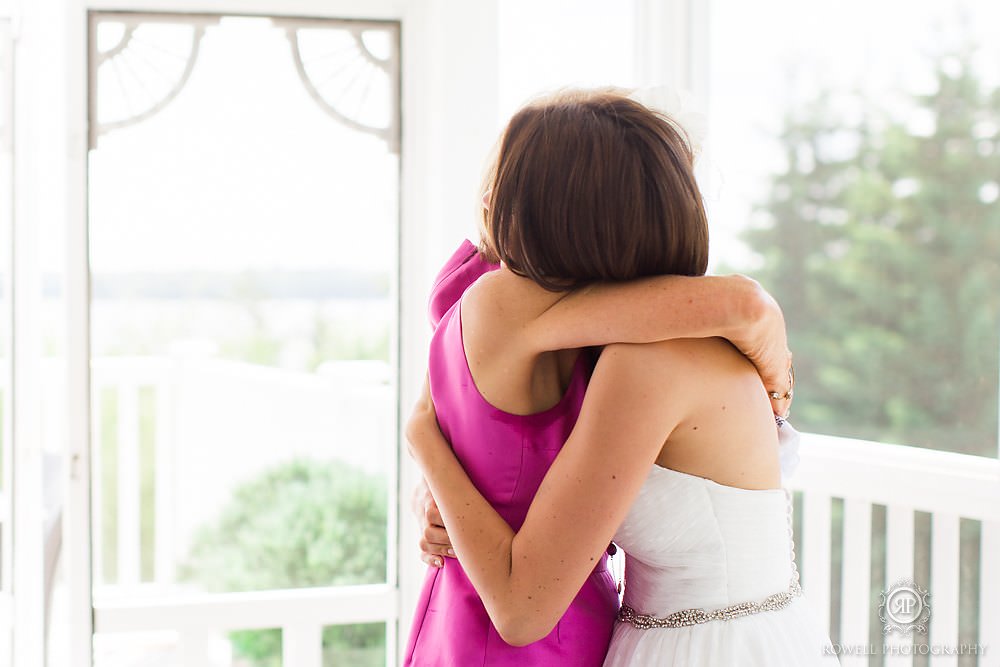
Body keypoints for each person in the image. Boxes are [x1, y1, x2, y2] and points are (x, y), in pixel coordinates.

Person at [406, 88, 836, 666]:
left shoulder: (646, 363)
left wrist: (425, 443)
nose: (487, 202)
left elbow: (521, 610)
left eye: (511, 189)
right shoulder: (617, 346)